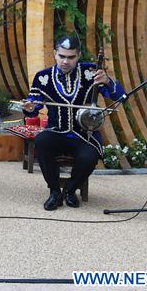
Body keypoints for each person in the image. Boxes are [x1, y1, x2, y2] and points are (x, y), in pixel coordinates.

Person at [22, 34, 126, 210]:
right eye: (61, 56)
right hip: (57, 131)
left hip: (85, 135)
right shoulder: (43, 77)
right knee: (41, 142)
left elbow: (121, 98)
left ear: (78, 55)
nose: (65, 61)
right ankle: (54, 191)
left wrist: (107, 81)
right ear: (55, 53)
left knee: (90, 156)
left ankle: (70, 190)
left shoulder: (92, 73)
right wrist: (30, 107)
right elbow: (34, 104)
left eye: (71, 57)